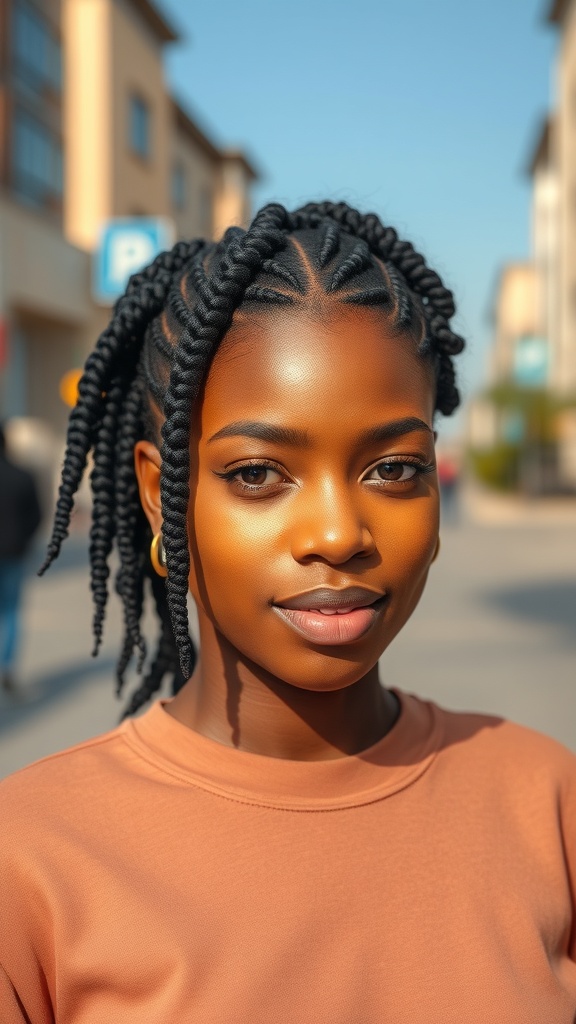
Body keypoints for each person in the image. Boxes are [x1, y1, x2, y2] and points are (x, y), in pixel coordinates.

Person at [0, 201, 574, 1022]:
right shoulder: (30, 859)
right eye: (259, 474)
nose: (339, 534)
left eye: (394, 469)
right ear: (165, 499)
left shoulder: (546, 801)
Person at [0, 422, 42, 696]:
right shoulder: (22, 475)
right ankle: (6, 671)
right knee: (11, 612)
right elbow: (36, 516)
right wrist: (23, 540)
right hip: (14, 553)